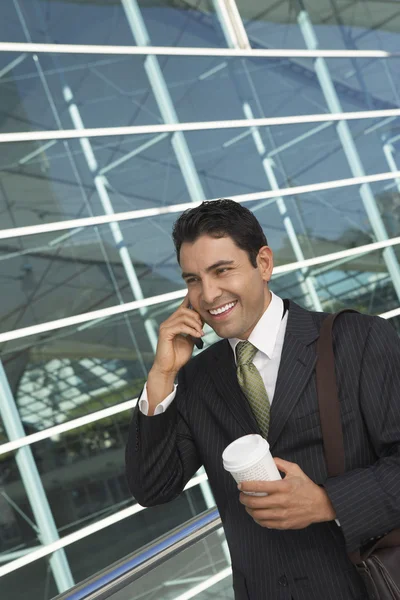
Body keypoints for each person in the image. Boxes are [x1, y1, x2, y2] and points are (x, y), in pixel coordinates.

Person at [125, 199, 400, 600]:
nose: (208, 293)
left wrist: (328, 502)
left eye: (222, 271)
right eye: (193, 280)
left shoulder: (358, 339)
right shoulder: (196, 380)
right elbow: (152, 487)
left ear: (264, 264)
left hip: (362, 586)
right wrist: (162, 375)